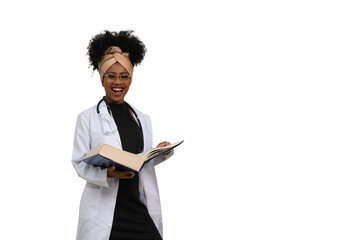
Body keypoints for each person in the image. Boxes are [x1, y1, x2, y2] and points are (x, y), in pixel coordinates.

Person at [72, 30, 173, 240]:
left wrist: (159, 153)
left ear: (131, 78)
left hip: (136, 207)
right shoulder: (87, 118)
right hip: (104, 212)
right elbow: (79, 163)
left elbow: (138, 161)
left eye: (124, 76)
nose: (118, 82)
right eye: (111, 75)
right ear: (102, 78)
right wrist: (108, 173)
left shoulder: (142, 118)